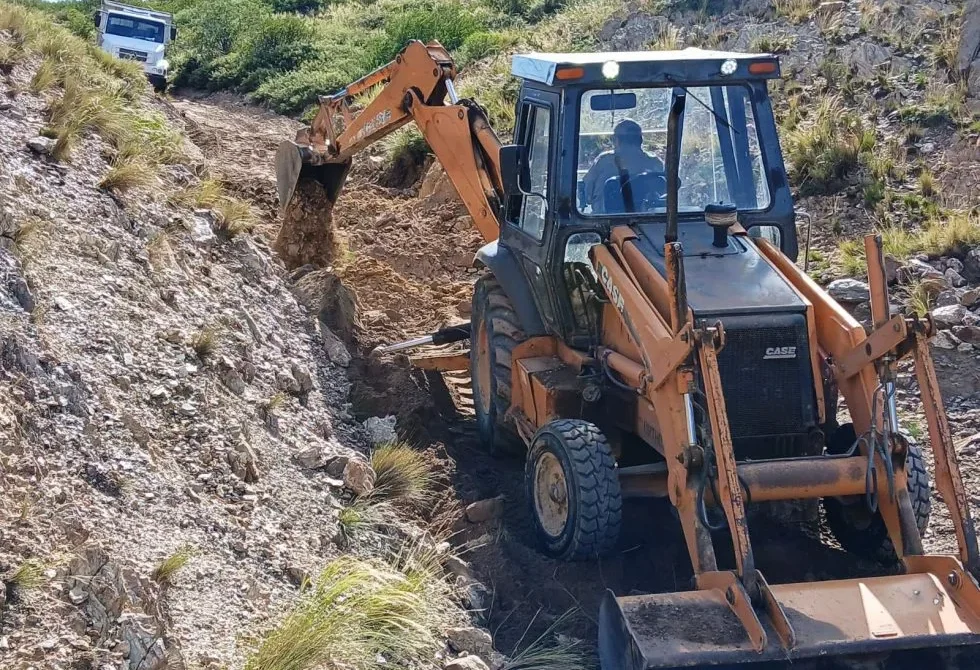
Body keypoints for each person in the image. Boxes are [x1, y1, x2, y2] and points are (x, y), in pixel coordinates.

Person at [582, 119, 664, 213]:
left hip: (604, 222)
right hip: (644, 222)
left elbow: (587, 194)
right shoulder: (655, 163)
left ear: (615, 140)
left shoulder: (603, 161)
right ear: (641, 140)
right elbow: (661, 195)